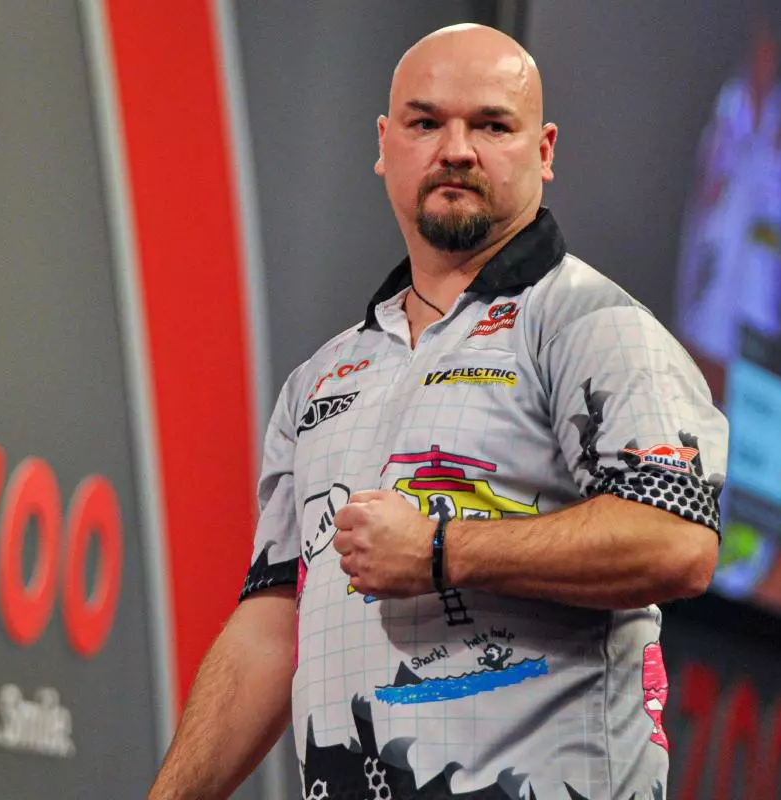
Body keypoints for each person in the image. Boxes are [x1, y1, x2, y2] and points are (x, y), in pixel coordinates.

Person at [148, 23, 727, 800]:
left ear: (545, 150)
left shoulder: (594, 327)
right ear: (386, 145)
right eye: (427, 123)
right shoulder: (320, 380)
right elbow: (270, 630)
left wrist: (442, 551)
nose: (456, 149)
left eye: (492, 125)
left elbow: (677, 543)